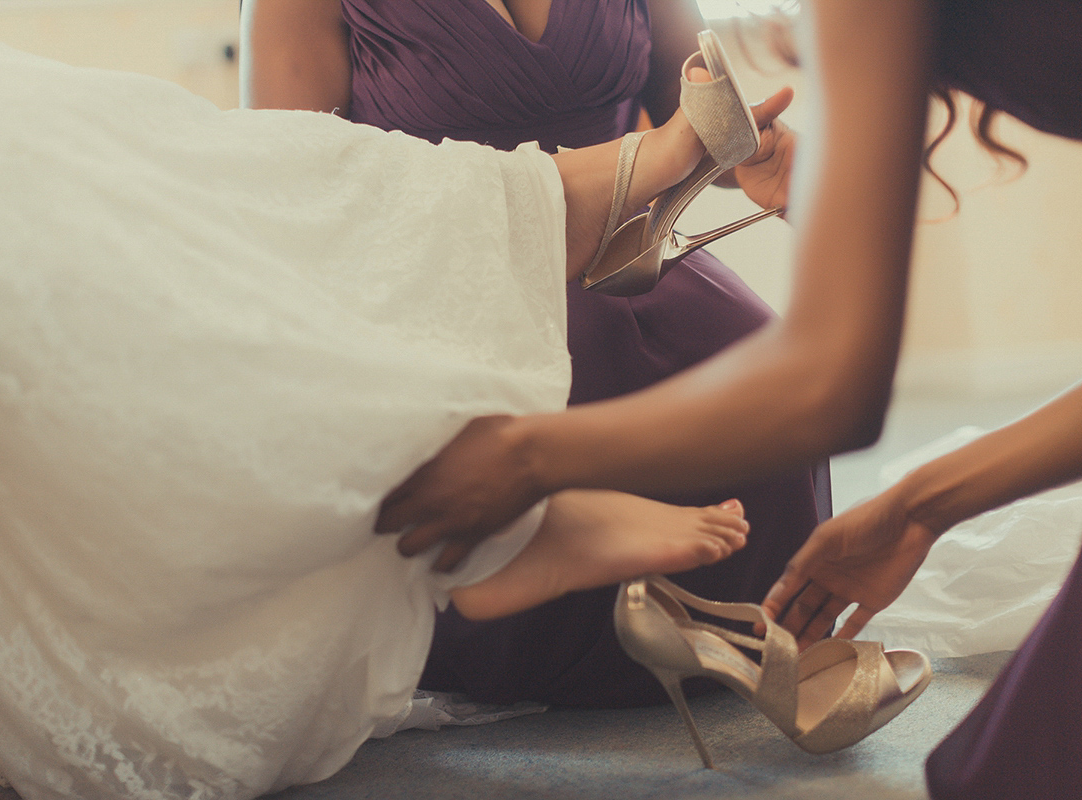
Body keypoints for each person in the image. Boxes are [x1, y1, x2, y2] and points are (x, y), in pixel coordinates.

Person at [0, 26, 776, 800]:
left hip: (640, 269)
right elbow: (289, 215)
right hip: (464, 323)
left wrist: (755, 156)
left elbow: (711, 123)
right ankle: (556, 235)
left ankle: (570, 207)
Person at [372, 1, 1082, 796]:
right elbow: (310, 195)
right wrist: (919, 506)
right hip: (468, 263)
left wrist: (529, 457)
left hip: (620, 243)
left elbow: (829, 381)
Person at [240, 0, 827, 709]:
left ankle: (728, 624)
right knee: (567, 376)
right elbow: (287, 184)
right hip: (443, 269)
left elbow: (700, 117)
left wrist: (756, 152)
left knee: (764, 369)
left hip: (625, 252)